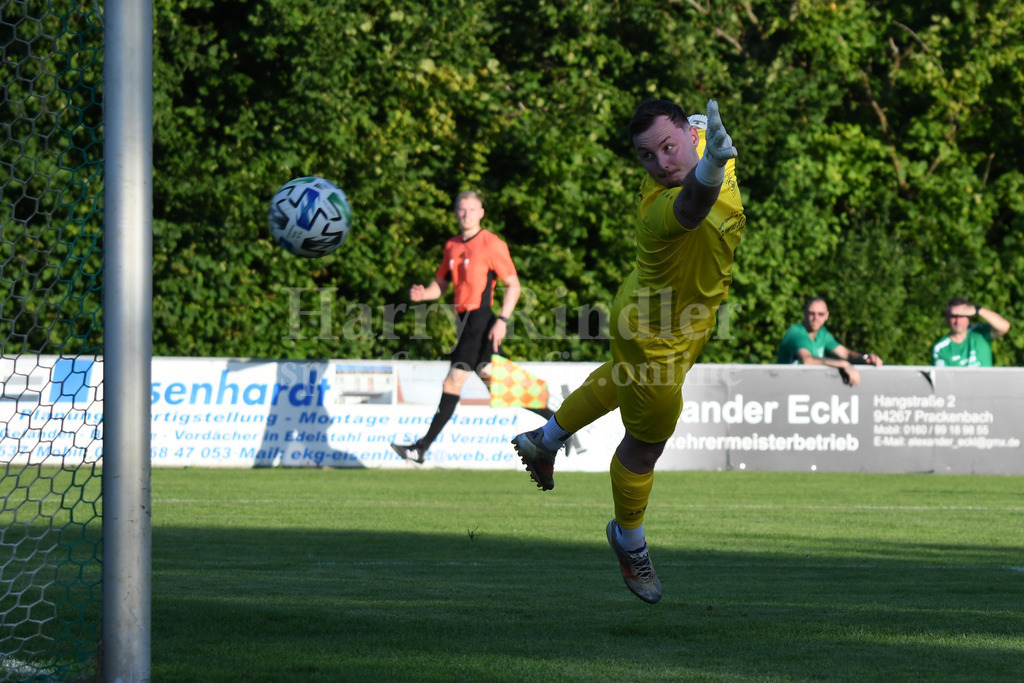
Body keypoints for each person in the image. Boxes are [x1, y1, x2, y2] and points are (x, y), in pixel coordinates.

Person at [510, 99, 744, 604]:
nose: (661, 163)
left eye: (668, 146)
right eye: (647, 157)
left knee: (621, 376)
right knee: (644, 448)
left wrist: (710, 147)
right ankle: (628, 538)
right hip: (658, 338)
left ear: (689, 131)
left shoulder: (707, 138)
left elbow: (701, 133)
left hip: (646, 309)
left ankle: (544, 439)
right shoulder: (662, 203)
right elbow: (692, 206)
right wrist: (710, 162)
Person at [391, 191, 555, 463]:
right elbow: (441, 284)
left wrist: (501, 320)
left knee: (453, 380)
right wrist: (425, 294)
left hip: (481, 320)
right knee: (497, 383)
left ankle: (420, 448)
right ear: (456, 213)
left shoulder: (491, 244)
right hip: (463, 321)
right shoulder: (452, 246)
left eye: (471, 209)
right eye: (461, 209)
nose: (465, 214)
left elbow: (513, 285)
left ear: (481, 213)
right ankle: (559, 425)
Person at [776, 296, 882, 386]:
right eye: (811, 313)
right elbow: (807, 360)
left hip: (808, 389)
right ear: (804, 313)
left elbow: (846, 354)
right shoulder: (796, 333)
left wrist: (865, 358)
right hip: (785, 389)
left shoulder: (822, 333)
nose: (815, 318)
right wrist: (843, 364)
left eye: (820, 314)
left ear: (826, 316)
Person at [932, 297, 1010, 366]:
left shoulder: (980, 333)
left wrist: (978, 309)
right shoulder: (941, 349)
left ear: (969, 317)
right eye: (954, 316)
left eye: (962, 315)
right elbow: (942, 379)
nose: (958, 321)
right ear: (947, 318)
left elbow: (1004, 327)